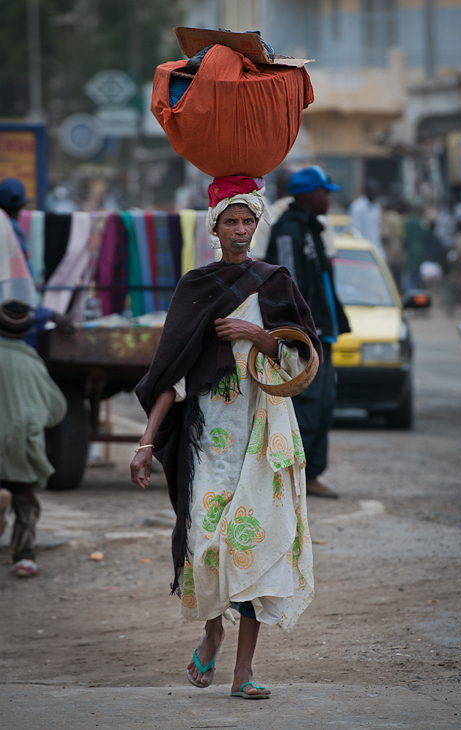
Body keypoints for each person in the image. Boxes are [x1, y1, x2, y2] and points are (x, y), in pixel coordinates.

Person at [131, 175, 322, 699]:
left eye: (247, 221)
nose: (240, 231)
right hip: (209, 439)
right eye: (230, 221)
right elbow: (170, 373)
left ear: (258, 224)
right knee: (209, 543)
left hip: (264, 436)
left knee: (254, 545)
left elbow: (303, 358)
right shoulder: (197, 286)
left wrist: (258, 336)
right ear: (215, 226)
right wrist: (147, 441)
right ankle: (213, 628)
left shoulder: (276, 281)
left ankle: (244, 672)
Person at [265, 166, 350, 499]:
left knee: (325, 404)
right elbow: (288, 283)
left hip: (323, 333)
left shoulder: (312, 228)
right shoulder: (288, 231)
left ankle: (312, 473)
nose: (327, 197)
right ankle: (298, 476)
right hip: (306, 337)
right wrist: (300, 333)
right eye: (323, 191)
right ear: (305, 195)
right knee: (309, 406)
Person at [0, 300, 67, 577]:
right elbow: (56, 410)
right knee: (26, 502)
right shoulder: (33, 363)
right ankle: (24, 556)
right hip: (23, 447)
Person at [0, 180, 74, 348]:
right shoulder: (8, 237)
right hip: (11, 332)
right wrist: (50, 314)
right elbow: (15, 294)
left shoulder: (14, 234)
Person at [349, 179, 384, 256]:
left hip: (375, 248)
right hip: (362, 249)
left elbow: (376, 230)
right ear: (366, 191)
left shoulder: (377, 207)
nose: (375, 194)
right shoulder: (357, 206)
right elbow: (355, 229)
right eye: (372, 191)